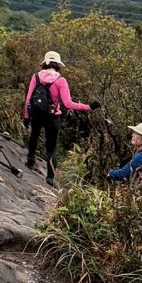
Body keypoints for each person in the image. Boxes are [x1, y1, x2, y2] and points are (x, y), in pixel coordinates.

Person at [23, 51, 100, 187]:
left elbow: (28, 100)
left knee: (34, 136)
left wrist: (27, 116)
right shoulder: (61, 81)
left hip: (37, 114)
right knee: (51, 148)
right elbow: (68, 104)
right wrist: (89, 107)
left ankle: (30, 161)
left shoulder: (36, 77)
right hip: (53, 117)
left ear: (45, 63)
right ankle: (50, 178)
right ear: (58, 65)